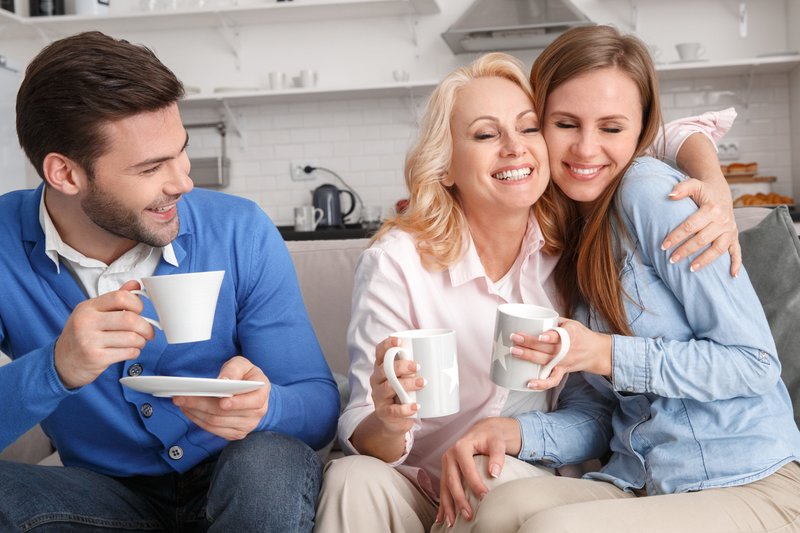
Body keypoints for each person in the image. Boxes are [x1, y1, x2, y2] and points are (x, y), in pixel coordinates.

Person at [314, 50, 741, 533]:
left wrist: (712, 179)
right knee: (350, 477)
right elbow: (362, 428)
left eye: (529, 127)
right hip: (413, 480)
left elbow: (643, 135)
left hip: (515, 474)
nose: (515, 147)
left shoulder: (574, 247)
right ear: (446, 166)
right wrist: (390, 423)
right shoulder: (396, 262)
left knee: (490, 480)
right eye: (485, 134)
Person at [435, 25, 800, 532]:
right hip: (639, 480)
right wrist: (515, 432)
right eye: (565, 123)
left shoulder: (649, 194)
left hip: (746, 479)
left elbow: (755, 363)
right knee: (489, 506)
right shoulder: (568, 232)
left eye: (611, 128)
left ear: (641, 133)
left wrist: (605, 352)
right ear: (537, 123)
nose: (586, 149)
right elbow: (599, 415)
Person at [0, 31, 339, 532]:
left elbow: (319, 403)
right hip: (104, 500)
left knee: (266, 464)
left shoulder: (239, 230)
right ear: (65, 174)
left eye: (180, 152)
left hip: (242, 476)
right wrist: (57, 367)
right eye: (152, 167)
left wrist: (267, 408)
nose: (183, 181)